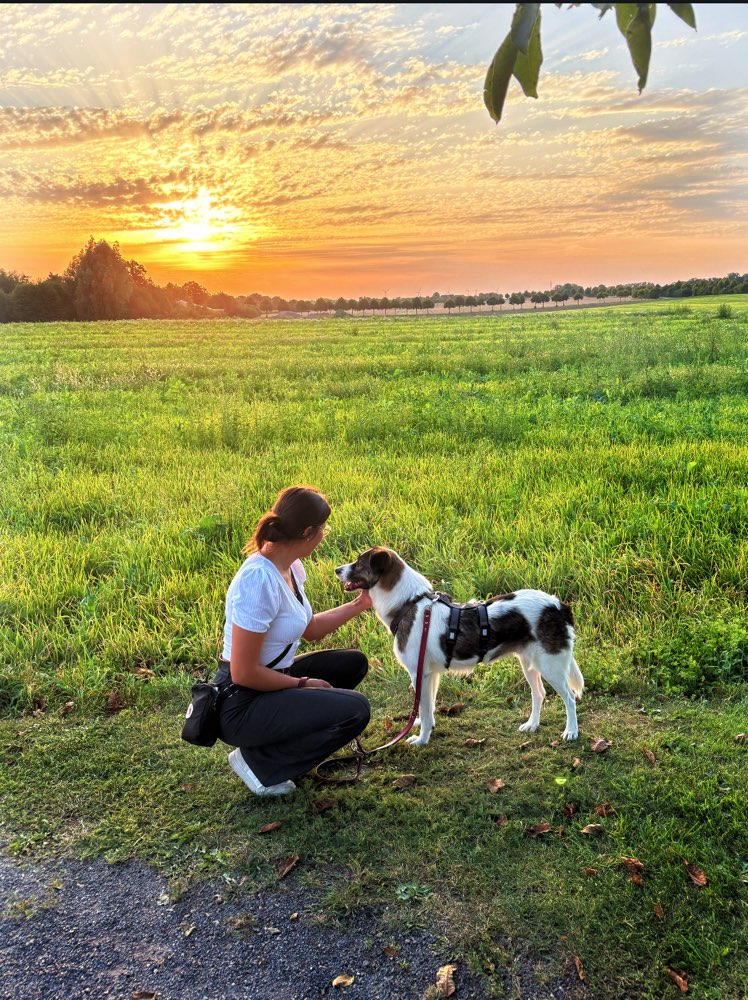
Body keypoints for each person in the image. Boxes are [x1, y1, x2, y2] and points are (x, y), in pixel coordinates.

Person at [216, 485, 372, 796]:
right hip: (241, 702)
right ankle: (260, 764)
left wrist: (362, 603)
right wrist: (303, 684)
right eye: (323, 528)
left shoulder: (290, 567)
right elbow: (243, 673)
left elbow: (310, 628)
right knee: (356, 710)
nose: (325, 534)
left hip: (271, 681)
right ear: (307, 532)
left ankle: (280, 744)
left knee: (352, 664)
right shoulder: (258, 580)